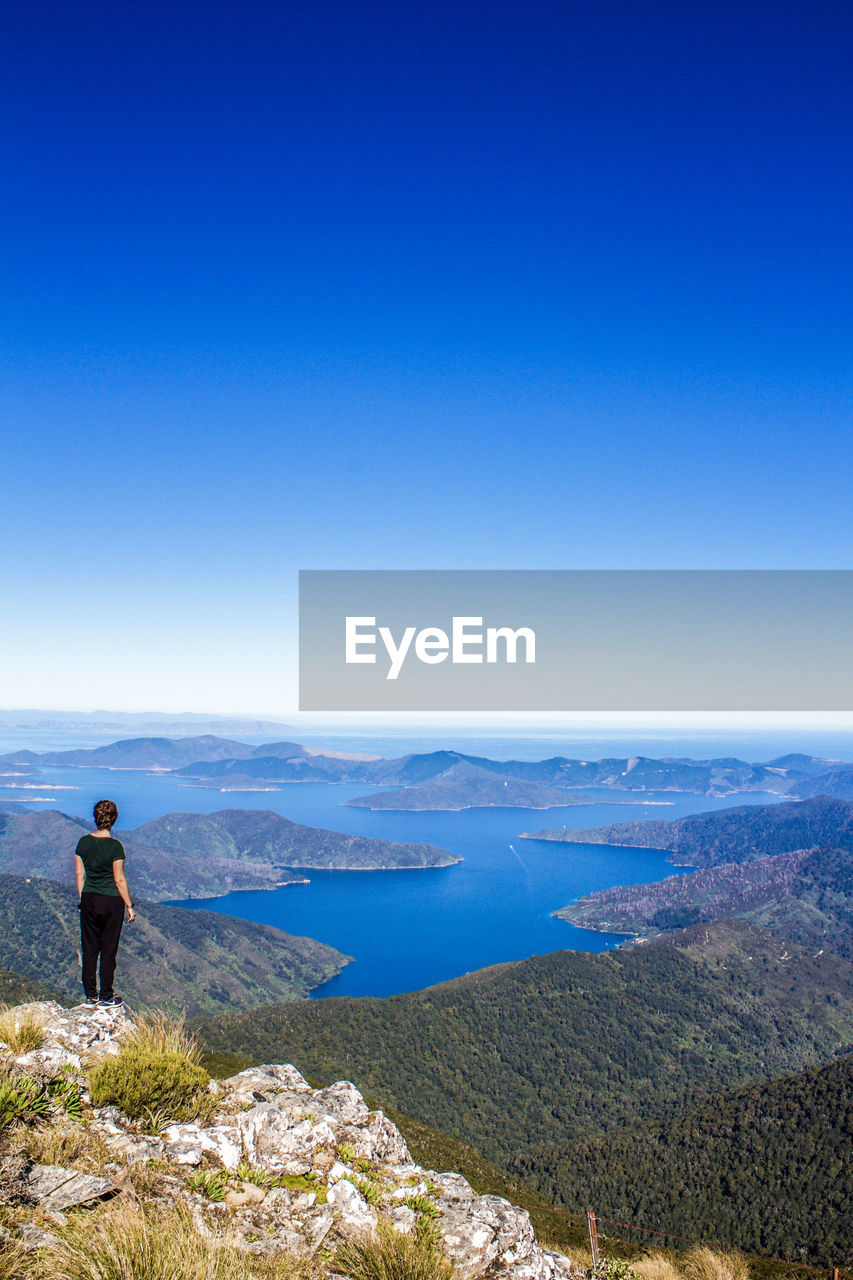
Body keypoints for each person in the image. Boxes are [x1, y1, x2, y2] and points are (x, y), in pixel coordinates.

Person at [75, 799, 136, 1007]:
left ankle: (90, 995)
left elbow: (79, 874)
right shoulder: (115, 847)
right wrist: (129, 905)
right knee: (109, 950)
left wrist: (83, 899)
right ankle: (106, 997)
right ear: (114, 820)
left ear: (94, 818)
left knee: (89, 948)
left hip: (89, 899)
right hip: (111, 902)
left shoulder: (83, 843)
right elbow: (119, 879)